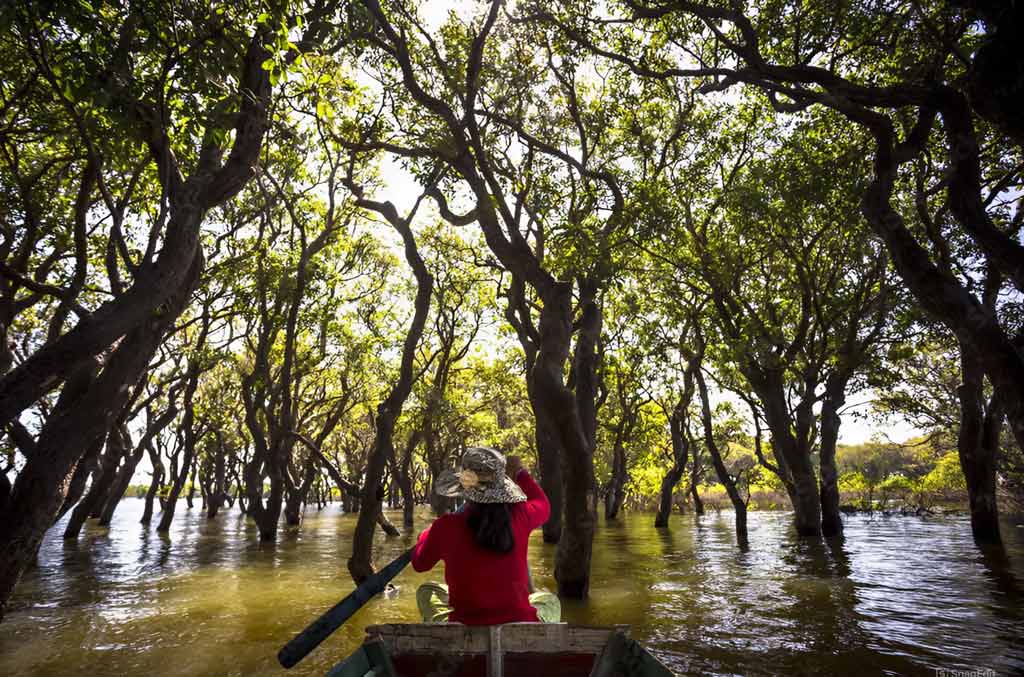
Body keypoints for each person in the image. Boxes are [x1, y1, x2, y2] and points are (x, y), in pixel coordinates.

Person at [412, 446, 561, 625]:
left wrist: (425, 536)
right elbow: (543, 504)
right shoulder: (521, 514)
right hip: (520, 623)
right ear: (503, 485)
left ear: (464, 486)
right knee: (550, 600)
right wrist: (520, 473)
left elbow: (419, 564)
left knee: (426, 590)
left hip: (465, 627)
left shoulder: (446, 525)